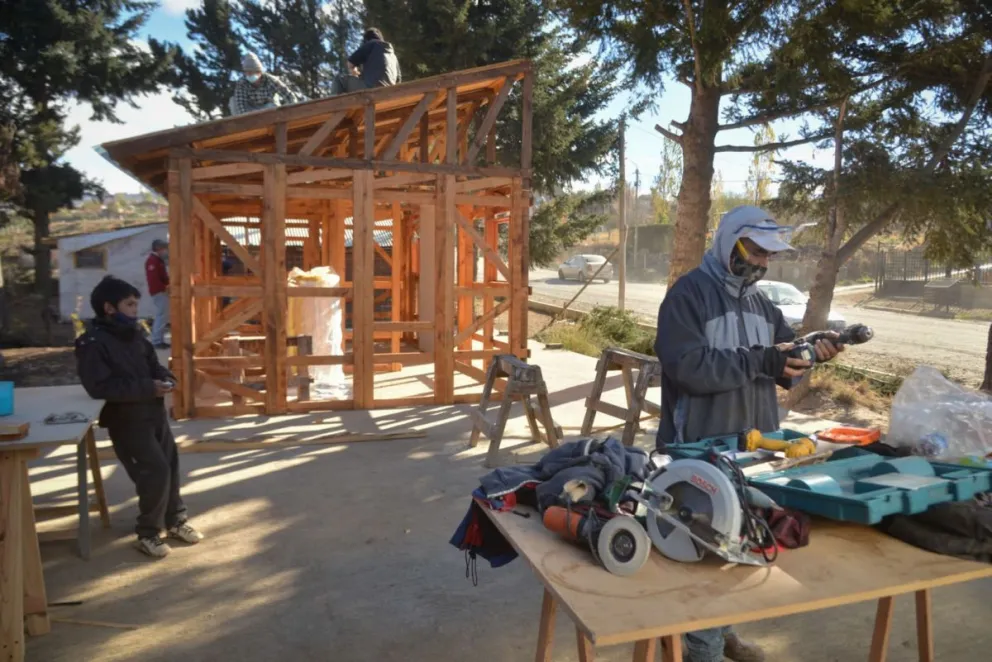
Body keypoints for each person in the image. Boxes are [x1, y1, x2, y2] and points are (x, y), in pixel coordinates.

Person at [654, 205, 842, 662]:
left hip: (755, 446)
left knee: (742, 543)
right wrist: (763, 360)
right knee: (700, 549)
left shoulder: (763, 303)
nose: (760, 262)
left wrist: (809, 356)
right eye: (753, 251)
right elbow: (690, 369)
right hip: (699, 446)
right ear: (727, 242)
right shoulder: (687, 296)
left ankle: (720, 633)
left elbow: (784, 366)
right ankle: (694, 647)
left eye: (767, 256)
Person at [75, 276, 204, 559]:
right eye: (130, 304)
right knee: (154, 472)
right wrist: (148, 387)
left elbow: (153, 366)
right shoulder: (92, 343)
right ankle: (147, 533)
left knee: (169, 466)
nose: (135, 309)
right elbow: (99, 387)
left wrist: (166, 379)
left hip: (154, 414)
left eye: (136, 304)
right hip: (126, 421)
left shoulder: (135, 336)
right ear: (109, 308)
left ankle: (176, 521)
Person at [331, 28, 401, 95]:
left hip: (372, 89)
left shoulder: (371, 43)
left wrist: (354, 72)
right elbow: (398, 80)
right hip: (390, 92)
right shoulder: (393, 56)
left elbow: (350, 63)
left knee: (339, 80)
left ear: (366, 40)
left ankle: (334, 106)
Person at [229, 52, 300, 116]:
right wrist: (245, 118)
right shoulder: (242, 83)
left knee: (273, 106)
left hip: (268, 108)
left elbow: (288, 95)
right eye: (246, 73)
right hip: (251, 111)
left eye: (251, 73)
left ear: (259, 72)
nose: (248, 75)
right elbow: (240, 103)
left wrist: (293, 112)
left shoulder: (271, 80)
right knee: (233, 102)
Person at [145, 238, 170, 349]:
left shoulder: (158, 260)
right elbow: (154, 279)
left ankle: (159, 339)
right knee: (161, 316)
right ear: (158, 249)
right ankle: (156, 341)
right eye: (164, 249)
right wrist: (164, 288)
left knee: (163, 316)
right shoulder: (152, 261)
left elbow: (163, 277)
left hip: (161, 291)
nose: (166, 251)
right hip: (159, 292)